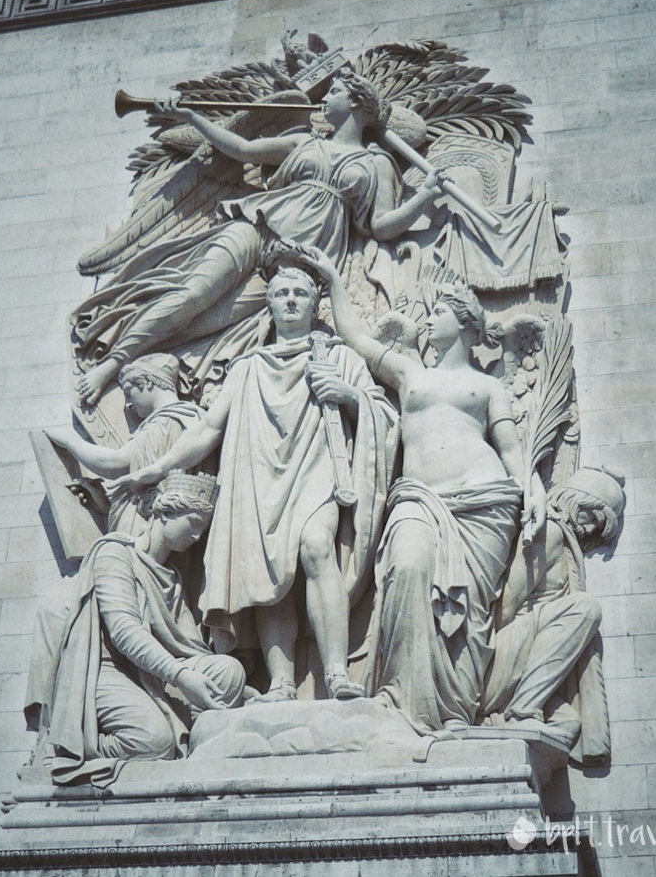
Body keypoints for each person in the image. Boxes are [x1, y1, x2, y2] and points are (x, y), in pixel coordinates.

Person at [110, 265, 399, 702]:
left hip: (316, 469)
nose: (289, 300)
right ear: (269, 302)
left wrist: (347, 394)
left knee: (317, 546)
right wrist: (160, 468)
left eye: (300, 293)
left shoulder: (339, 357)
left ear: (314, 303)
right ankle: (281, 681)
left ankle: (336, 674)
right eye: (281, 292)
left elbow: (383, 414)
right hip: (258, 475)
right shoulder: (247, 367)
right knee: (267, 572)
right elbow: (209, 428)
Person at [72, 70, 444, 405]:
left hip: (297, 259)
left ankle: (145, 357)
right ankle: (113, 362)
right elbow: (242, 149)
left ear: (355, 102)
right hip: (256, 225)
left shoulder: (376, 164)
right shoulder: (303, 143)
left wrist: (425, 195)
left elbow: (380, 226)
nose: (325, 98)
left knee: (209, 321)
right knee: (194, 294)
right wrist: (192, 118)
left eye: (335, 91)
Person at [297, 246, 545, 734]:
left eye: (438, 313)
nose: (427, 322)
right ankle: (401, 702)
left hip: (483, 503)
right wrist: (331, 278)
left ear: (466, 323)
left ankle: (452, 711)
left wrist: (533, 491)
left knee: (467, 613)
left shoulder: (488, 386)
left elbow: (514, 451)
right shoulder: (411, 373)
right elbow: (354, 335)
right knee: (407, 567)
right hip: (418, 500)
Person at [24, 471, 245, 786]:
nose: (196, 537)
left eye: (202, 529)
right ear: (166, 513)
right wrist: (182, 677)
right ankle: (68, 742)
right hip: (102, 670)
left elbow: (187, 648)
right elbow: (125, 631)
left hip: (151, 673)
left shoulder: (171, 577)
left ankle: (183, 730)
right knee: (153, 742)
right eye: (194, 525)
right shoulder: (114, 553)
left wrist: (240, 688)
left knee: (229, 671)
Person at [480, 466, 625, 766]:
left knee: (569, 724)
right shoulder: (551, 532)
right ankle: (521, 711)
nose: (587, 531)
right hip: (498, 654)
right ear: (576, 500)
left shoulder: (565, 538)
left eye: (596, 530)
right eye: (590, 519)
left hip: (518, 658)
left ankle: (497, 720)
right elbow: (504, 609)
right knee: (585, 609)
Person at [45, 353, 203, 534]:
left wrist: (70, 440)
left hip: (146, 538)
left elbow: (116, 463)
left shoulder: (166, 421)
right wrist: (105, 505)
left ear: (147, 382)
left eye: (128, 392)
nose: (128, 404)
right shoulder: (189, 419)